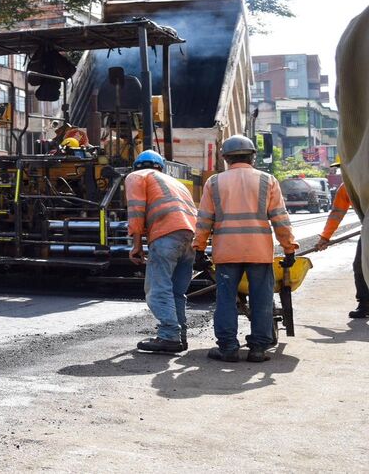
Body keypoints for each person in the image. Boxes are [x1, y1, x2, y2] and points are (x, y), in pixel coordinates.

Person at [194, 135, 298, 363]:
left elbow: (204, 220)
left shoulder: (214, 183)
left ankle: (228, 348)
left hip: (226, 252)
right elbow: (280, 218)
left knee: (225, 300)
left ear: (225, 158)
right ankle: (259, 349)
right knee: (261, 299)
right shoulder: (267, 180)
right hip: (258, 252)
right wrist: (289, 249)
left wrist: (198, 249)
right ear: (252, 156)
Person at [125, 150, 198, 354]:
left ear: (136, 166)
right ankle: (179, 336)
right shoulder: (176, 183)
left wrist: (137, 245)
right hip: (189, 238)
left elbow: (136, 211)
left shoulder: (137, 176)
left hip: (165, 236)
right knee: (176, 292)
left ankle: (168, 336)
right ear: (161, 167)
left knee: (158, 290)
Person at [313, 159, 369, 318]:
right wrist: (325, 237)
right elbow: (337, 213)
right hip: (367, 231)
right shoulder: (346, 189)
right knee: (360, 266)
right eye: (341, 170)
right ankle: (365, 304)